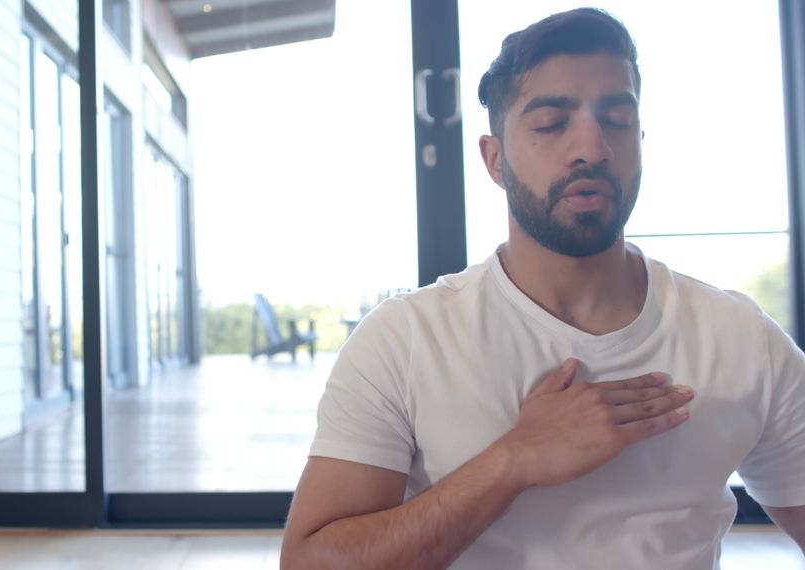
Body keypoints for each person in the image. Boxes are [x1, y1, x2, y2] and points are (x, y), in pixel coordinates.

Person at [280, 7, 805, 569]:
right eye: (552, 123)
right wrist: (514, 460)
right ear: (495, 159)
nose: (593, 148)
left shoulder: (741, 339)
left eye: (618, 121)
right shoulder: (405, 340)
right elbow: (311, 563)